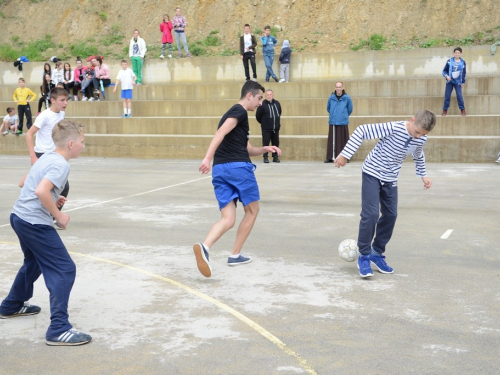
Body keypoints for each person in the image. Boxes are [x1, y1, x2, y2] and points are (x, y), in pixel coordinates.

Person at [0, 119, 92, 346]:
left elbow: (26, 183)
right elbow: (41, 190)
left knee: (33, 263)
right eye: (82, 141)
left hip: (19, 217)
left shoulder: (47, 157)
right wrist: (58, 215)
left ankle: (11, 305)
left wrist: (52, 198)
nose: (83, 145)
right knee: (64, 268)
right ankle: (59, 328)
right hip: (34, 223)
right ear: (71, 144)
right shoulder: (61, 165)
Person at [193, 81, 281, 278]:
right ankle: (235, 254)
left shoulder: (237, 117)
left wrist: (266, 149)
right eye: (259, 98)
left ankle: (205, 247)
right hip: (238, 168)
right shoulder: (239, 111)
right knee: (252, 210)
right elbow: (220, 133)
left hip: (220, 170)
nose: (260, 103)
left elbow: (248, 149)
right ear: (249, 95)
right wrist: (207, 157)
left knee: (228, 219)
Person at [334, 110, 437, 278]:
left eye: (423, 134)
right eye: (417, 132)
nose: (419, 136)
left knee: (391, 215)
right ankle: (364, 255)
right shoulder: (394, 128)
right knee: (371, 214)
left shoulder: (421, 138)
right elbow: (361, 130)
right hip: (372, 172)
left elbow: (418, 154)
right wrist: (345, 154)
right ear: (412, 120)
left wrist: (423, 175)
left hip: (390, 177)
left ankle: (376, 253)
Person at [25, 87, 70, 222]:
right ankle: (51, 216)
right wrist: (33, 156)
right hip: (42, 155)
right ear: (53, 100)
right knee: (54, 187)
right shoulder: (44, 115)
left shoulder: (61, 114)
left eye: (66, 100)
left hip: (54, 155)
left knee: (61, 187)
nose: (65, 103)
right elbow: (28, 134)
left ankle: (50, 216)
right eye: (62, 100)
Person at [325, 81, 353, 163]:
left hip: (342, 121)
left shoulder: (347, 98)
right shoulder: (331, 98)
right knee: (332, 140)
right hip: (333, 121)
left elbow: (350, 109)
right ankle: (330, 157)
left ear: (343, 88)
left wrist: (343, 115)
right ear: (335, 88)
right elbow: (328, 108)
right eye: (337, 87)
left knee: (343, 140)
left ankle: (344, 157)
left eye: (340, 87)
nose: (338, 89)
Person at [256, 89, 281, 163]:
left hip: (275, 128)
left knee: (275, 143)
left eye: (270, 94)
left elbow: (279, 112)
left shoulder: (277, 103)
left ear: (273, 95)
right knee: (266, 143)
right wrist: (264, 123)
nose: (269, 96)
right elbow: (258, 116)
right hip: (266, 128)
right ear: (265, 96)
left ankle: (275, 156)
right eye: (267, 95)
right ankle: (265, 157)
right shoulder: (262, 104)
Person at [442, 47, 466, 116]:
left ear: (461, 54)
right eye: (456, 52)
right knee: (447, 96)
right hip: (450, 82)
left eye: (458, 53)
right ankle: (445, 110)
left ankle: (463, 109)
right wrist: (446, 76)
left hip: (458, 82)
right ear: (453, 53)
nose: (457, 54)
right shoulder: (449, 61)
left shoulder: (463, 62)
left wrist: (463, 82)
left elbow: (464, 73)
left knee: (459, 96)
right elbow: (444, 71)